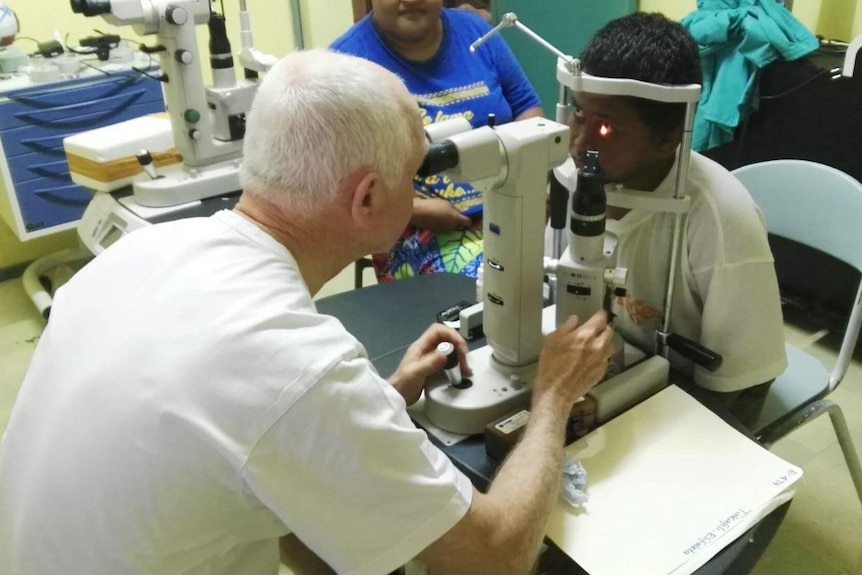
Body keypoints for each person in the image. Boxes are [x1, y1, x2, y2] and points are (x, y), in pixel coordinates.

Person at [0, 49, 614, 575]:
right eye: (412, 177)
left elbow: (247, 440)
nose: (418, 191)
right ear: (369, 197)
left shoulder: (139, 251)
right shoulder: (295, 366)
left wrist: (383, 398)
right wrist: (555, 395)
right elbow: (498, 556)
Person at [551, 12, 786, 401]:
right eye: (579, 113)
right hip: (609, 374)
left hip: (684, 395)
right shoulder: (576, 176)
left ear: (668, 138)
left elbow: (745, 384)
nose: (579, 142)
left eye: (606, 127)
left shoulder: (720, 217)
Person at [331, 0, 543, 282]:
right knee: (499, 288)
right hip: (416, 230)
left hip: (507, 206)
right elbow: (335, 181)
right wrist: (413, 210)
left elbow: (528, 107)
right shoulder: (343, 64)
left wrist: (524, 180)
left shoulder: (477, 33)